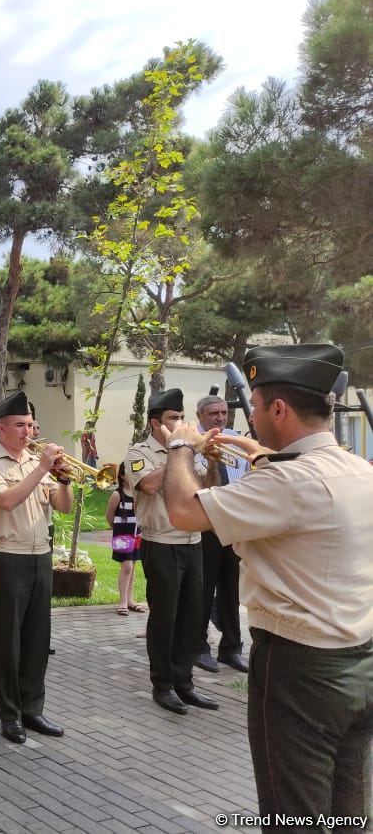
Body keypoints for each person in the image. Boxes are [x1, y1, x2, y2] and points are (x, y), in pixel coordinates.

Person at [161, 343, 373, 829]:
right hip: (359, 661)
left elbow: (183, 511)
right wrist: (268, 458)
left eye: (254, 406)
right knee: (350, 813)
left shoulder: (288, 482)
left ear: (278, 409)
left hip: (300, 671)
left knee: (293, 815)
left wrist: (181, 446)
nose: (250, 419)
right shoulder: (360, 470)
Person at [0, 390, 71, 744]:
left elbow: (62, 506)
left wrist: (63, 479)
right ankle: (10, 714)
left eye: (29, 425)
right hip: (8, 556)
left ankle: (33, 709)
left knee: (37, 639)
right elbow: (7, 501)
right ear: (0, 428)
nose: (27, 431)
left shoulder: (34, 461)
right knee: (8, 642)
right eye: (19, 425)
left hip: (40, 555)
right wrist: (42, 468)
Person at [124, 388, 219, 716]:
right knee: (165, 617)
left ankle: (185, 682)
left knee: (192, 616)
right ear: (156, 423)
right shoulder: (139, 453)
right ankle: (162, 685)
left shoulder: (189, 451)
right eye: (173, 418)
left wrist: (211, 460)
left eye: (181, 417)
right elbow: (149, 485)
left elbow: (209, 488)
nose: (180, 423)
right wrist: (179, 452)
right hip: (161, 542)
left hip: (193, 542)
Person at [193, 394, 248, 674]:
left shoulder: (235, 439)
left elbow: (247, 474)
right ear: (200, 415)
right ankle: (199, 646)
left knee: (232, 587)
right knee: (204, 587)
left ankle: (232, 647)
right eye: (214, 413)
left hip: (233, 520)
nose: (220, 417)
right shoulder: (191, 441)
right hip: (206, 522)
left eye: (224, 412)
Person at [105, 462, 145, 616]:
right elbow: (109, 515)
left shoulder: (138, 493)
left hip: (136, 534)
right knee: (127, 566)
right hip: (122, 535)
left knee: (133, 565)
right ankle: (122, 601)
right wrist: (117, 529)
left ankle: (130, 599)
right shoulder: (117, 495)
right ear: (122, 476)